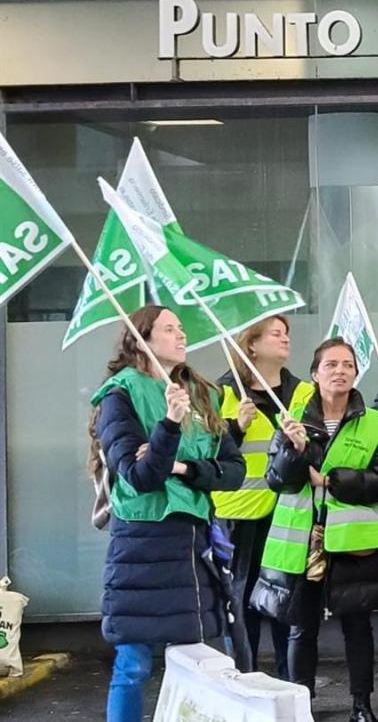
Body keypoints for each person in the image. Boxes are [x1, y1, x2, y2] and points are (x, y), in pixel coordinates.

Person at [93, 306, 245, 722]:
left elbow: (233, 471)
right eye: (170, 329)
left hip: (193, 544)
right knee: (133, 665)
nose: (182, 336)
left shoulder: (203, 393)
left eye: (182, 329)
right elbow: (140, 476)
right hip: (141, 545)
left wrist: (183, 468)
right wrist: (169, 424)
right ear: (140, 338)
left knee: (201, 663)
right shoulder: (118, 395)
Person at [258, 338, 378, 722]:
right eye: (331, 365)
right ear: (315, 373)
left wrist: (330, 480)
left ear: (356, 372)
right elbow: (277, 481)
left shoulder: (376, 423)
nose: (340, 371)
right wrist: (295, 452)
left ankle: (361, 706)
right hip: (301, 540)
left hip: (352, 543)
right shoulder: (291, 420)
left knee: (358, 626)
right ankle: (301, 706)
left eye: (348, 365)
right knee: (300, 628)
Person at [213, 314, 313, 676]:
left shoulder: (303, 392)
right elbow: (205, 452)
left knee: (286, 607)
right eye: (276, 333)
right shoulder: (222, 392)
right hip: (237, 516)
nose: (285, 338)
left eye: (287, 332)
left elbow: (318, 449)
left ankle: (291, 694)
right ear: (251, 344)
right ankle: (246, 692)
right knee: (240, 611)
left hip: (286, 516)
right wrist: (234, 429)